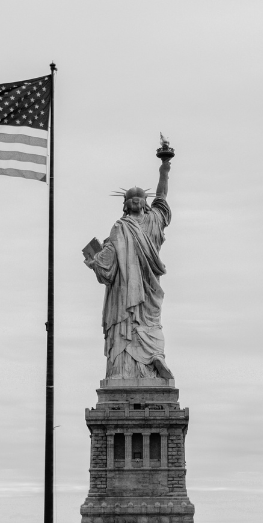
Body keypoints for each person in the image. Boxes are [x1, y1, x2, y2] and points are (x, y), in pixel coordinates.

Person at [84, 155, 173, 380]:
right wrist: (96, 261)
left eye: (138, 197)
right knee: (140, 323)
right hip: (135, 288)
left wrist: (164, 169)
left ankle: (145, 362)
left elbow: (162, 196)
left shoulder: (137, 223)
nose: (135, 200)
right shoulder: (131, 225)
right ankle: (140, 363)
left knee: (139, 322)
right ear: (129, 203)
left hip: (139, 288)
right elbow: (109, 258)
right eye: (133, 198)